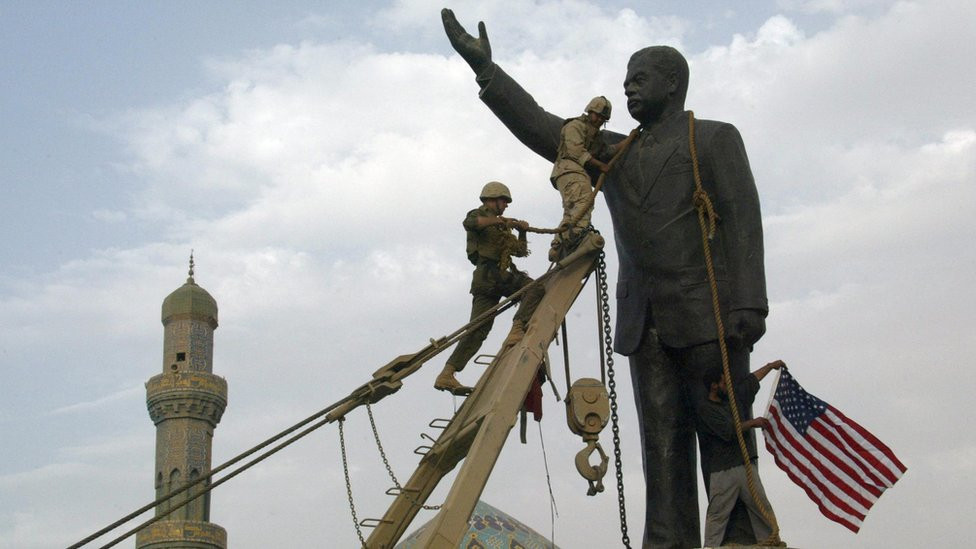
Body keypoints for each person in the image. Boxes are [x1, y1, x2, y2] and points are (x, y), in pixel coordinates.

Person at [442, 10, 769, 548]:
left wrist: (748, 308)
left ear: (673, 83)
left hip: (710, 316)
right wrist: (488, 74)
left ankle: (740, 539)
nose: (627, 89)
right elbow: (547, 128)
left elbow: (742, 220)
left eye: (639, 80)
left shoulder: (713, 139)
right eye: (625, 81)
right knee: (661, 450)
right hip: (645, 324)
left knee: (724, 436)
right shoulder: (614, 153)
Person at [434, 181, 545, 395]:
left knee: (478, 330)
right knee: (535, 289)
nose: (505, 206)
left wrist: (522, 232)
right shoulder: (479, 216)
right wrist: (501, 221)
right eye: (503, 201)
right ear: (492, 199)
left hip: (490, 278)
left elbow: (520, 252)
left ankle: (447, 373)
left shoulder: (501, 226)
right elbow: (470, 223)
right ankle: (517, 328)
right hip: (490, 274)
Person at [699, 360, 783, 547]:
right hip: (723, 470)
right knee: (718, 514)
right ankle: (711, 547)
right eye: (722, 383)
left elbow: (751, 382)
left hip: (745, 466)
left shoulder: (734, 398)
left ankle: (770, 543)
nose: (726, 385)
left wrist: (770, 366)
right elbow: (728, 431)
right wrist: (752, 423)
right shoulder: (706, 409)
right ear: (714, 386)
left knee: (762, 508)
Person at [548, 96, 612, 261]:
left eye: (603, 118)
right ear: (589, 111)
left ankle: (557, 246)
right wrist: (600, 166)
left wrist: (630, 138)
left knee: (571, 212)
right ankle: (576, 237)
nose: (599, 120)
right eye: (597, 115)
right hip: (569, 169)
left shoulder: (595, 135)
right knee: (584, 201)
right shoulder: (575, 126)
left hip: (573, 172)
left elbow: (607, 151)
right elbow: (576, 152)